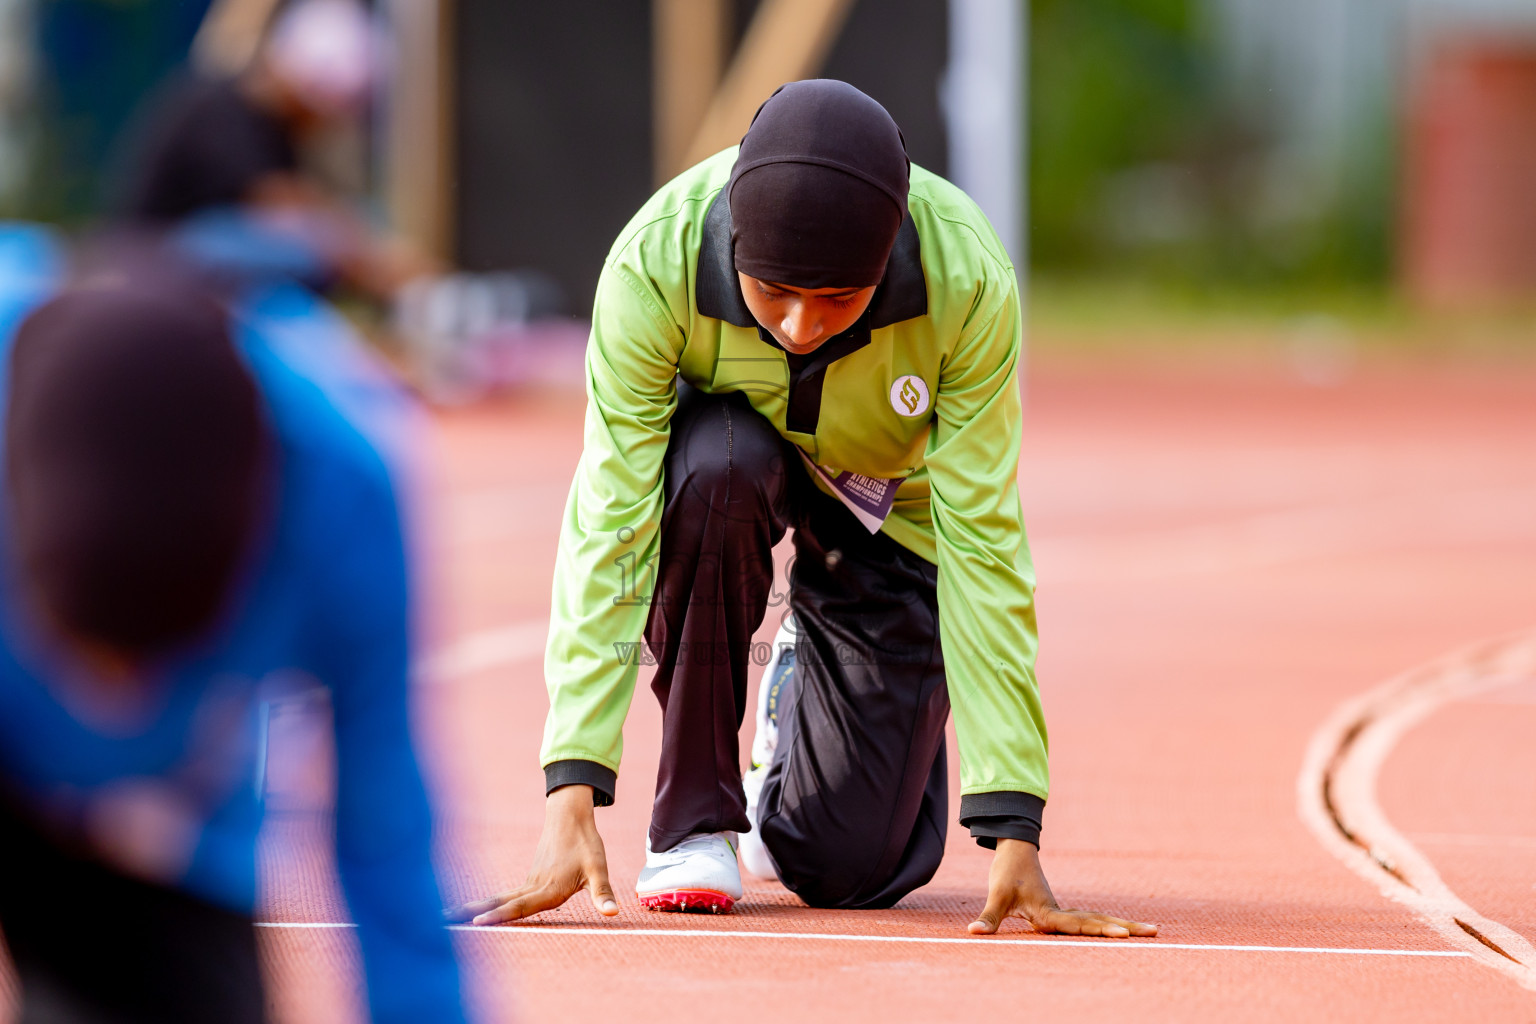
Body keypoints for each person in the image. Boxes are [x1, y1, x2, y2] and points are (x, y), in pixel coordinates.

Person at [453, 80, 1156, 938]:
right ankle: (693, 823)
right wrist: (572, 787)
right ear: (736, 246)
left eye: (838, 302)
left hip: (892, 514)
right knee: (718, 469)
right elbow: (613, 521)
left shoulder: (966, 279)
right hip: (729, 473)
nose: (797, 326)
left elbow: (984, 543)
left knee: (848, 870)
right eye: (772, 290)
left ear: (890, 256)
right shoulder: (654, 262)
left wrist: (1010, 820)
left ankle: (797, 694)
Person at [0, 264, 466, 1022]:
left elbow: (388, 845)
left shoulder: (343, 498)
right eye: (92, 656)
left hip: (175, 807)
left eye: (158, 661)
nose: (119, 701)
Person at [111, 0, 428, 300]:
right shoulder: (224, 111)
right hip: (149, 262)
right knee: (298, 249)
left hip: (172, 261)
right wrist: (375, 263)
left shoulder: (272, 130)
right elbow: (283, 208)